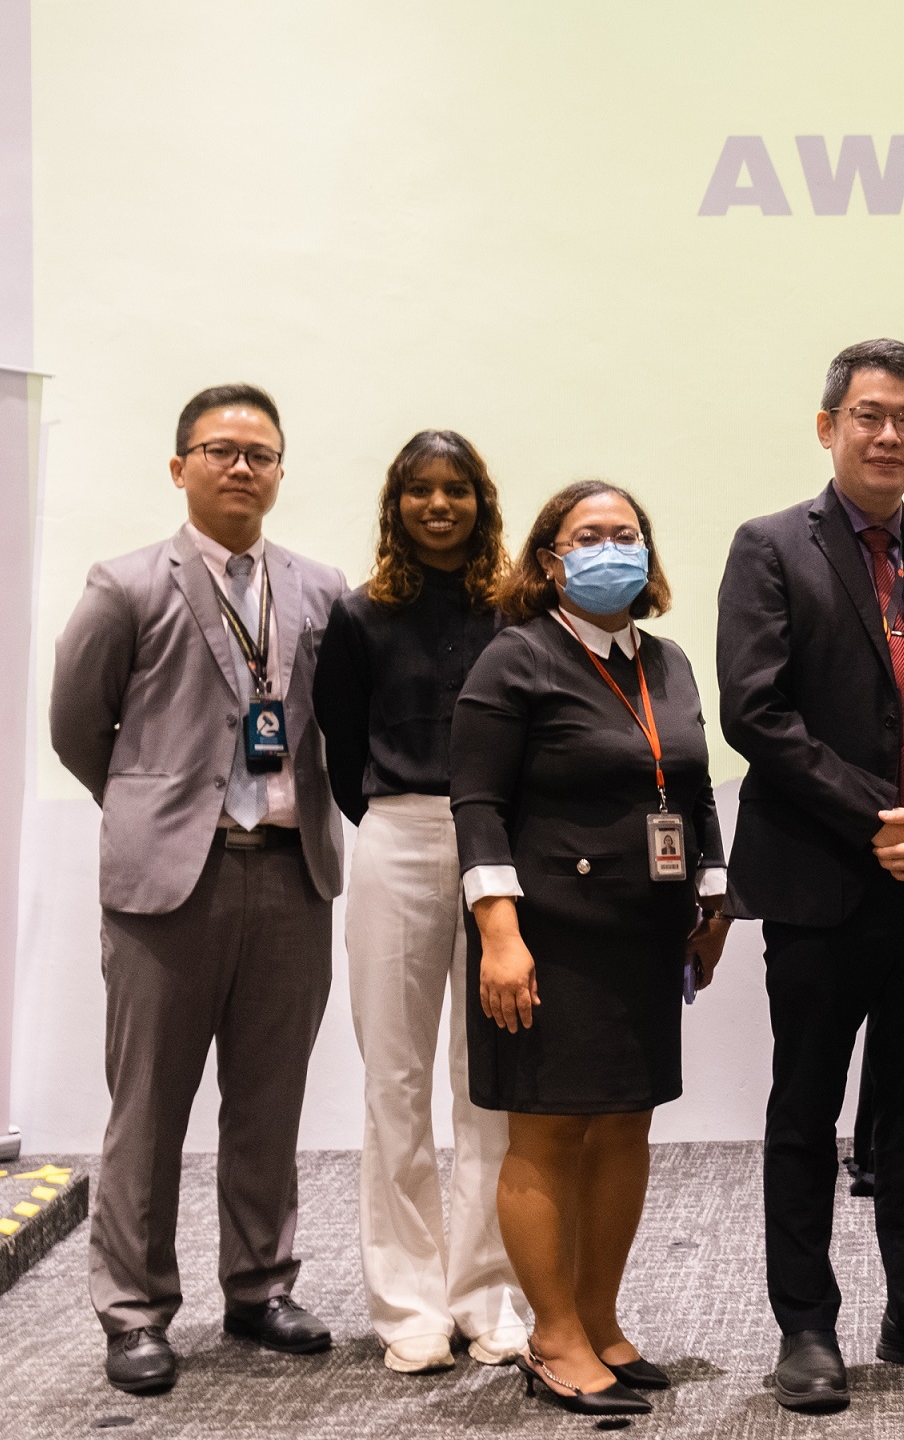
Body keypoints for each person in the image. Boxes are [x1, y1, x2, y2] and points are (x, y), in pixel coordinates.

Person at [717, 338, 904, 1413]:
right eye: (869, 415)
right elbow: (756, 712)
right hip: (818, 881)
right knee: (805, 1109)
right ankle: (806, 1326)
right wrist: (881, 816)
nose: (888, 435)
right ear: (828, 426)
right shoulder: (769, 548)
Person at [50, 384, 348, 1394]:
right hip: (169, 888)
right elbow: (77, 727)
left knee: (268, 1099)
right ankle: (133, 1311)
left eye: (260, 453)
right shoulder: (125, 583)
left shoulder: (319, 589)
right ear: (179, 466)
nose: (241, 467)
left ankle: (260, 1287)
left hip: (291, 880)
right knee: (149, 1108)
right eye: (219, 450)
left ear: (279, 470)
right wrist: (150, 810)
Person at [450, 480, 731, 1417]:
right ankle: (554, 1335)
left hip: (646, 936)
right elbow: (478, 805)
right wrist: (498, 934)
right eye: (590, 536)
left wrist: (715, 896)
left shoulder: (670, 661)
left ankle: (601, 1321)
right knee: (546, 1129)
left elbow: (692, 786)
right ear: (550, 560)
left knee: (625, 1124)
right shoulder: (514, 660)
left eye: (629, 535)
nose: (613, 548)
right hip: (545, 938)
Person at [310, 430, 527, 1374]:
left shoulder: (518, 612)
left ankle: (488, 1297)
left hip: (502, 849)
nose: (439, 507)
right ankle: (409, 1305)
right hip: (395, 834)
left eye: (458, 491)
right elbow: (338, 741)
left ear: (483, 502)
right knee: (394, 1082)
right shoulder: (358, 615)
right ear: (394, 505)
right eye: (419, 492)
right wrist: (399, 816)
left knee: (488, 1087)